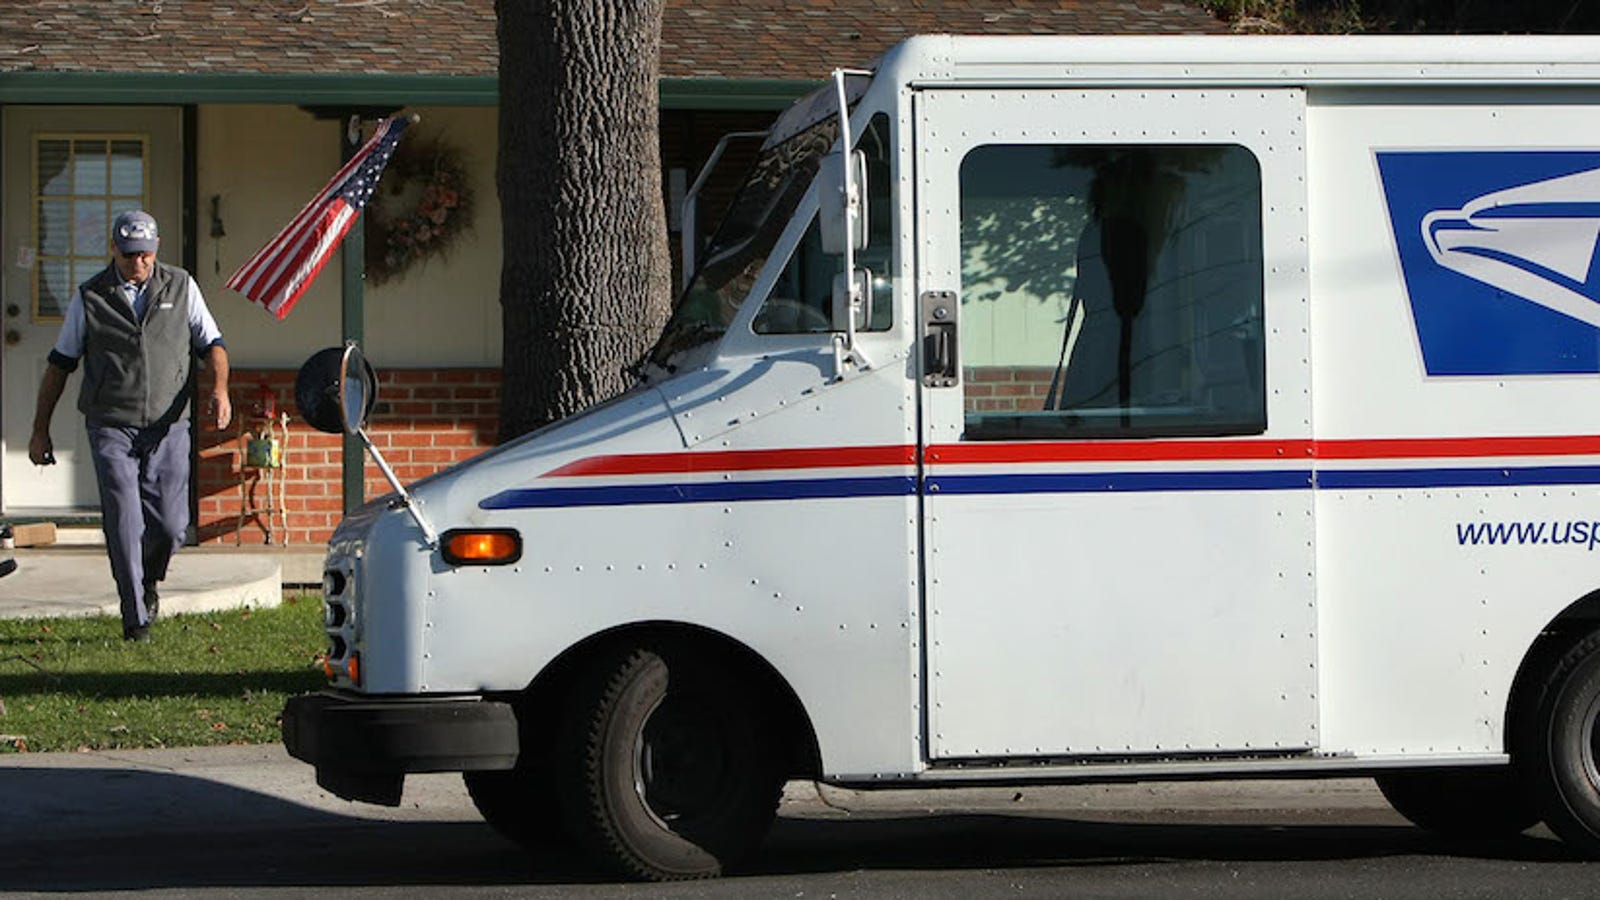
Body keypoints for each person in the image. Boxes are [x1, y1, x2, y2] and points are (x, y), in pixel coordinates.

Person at [28, 210, 231, 641]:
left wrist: (220, 390)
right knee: (123, 518)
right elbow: (60, 365)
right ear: (114, 250)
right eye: (130, 255)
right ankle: (135, 617)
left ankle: (149, 580)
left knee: (172, 526)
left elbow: (212, 343)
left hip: (169, 425)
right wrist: (40, 429)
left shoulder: (181, 285)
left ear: (156, 249)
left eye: (146, 255)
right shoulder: (91, 296)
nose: (139, 264)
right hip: (111, 424)